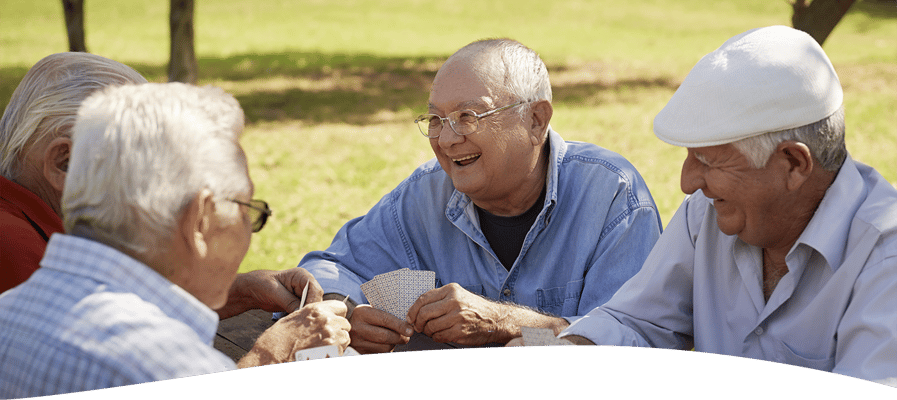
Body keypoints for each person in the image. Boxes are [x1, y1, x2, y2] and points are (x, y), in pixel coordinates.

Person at [533, 26, 897, 386]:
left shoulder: (885, 256)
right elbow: (638, 324)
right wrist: (561, 350)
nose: (687, 182)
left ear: (793, 164)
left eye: (709, 161)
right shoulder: (706, 214)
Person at [299, 38, 663, 353]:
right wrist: (342, 312)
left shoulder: (612, 196)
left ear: (535, 120)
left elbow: (635, 340)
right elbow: (332, 268)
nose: (445, 139)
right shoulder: (423, 197)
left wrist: (506, 323)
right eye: (435, 119)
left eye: (468, 116)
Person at [0, 83, 351, 398]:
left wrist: (237, 292)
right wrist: (271, 358)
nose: (248, 229)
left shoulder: (9, 310)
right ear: (201, 219)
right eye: (247, 209)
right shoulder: (173, 366)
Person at [0, 53, 325, 323]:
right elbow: (114, 352)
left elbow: (128, 310)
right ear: (64, 162)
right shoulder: (17, 249)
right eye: (142, 159)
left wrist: (241, 291)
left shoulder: (40, 225)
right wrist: (269, 357)